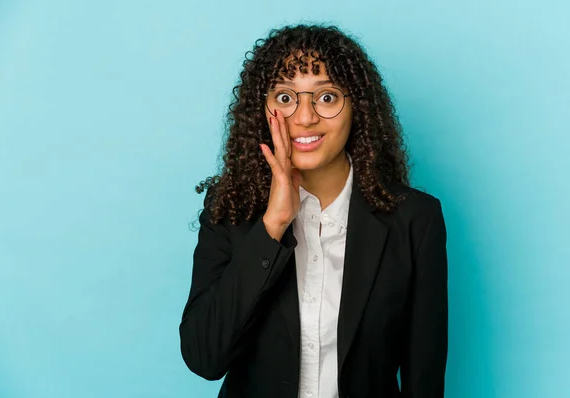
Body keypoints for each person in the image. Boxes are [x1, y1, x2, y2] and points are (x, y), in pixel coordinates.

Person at [179, 23, 448, 398]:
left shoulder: (415, 218)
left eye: (326, 97)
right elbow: (203, 357)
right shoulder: (230, 210)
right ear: (264, 107)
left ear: (358, 106)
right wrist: (273, 225)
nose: (305, 118)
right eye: (286, 98)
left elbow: (424, 377)